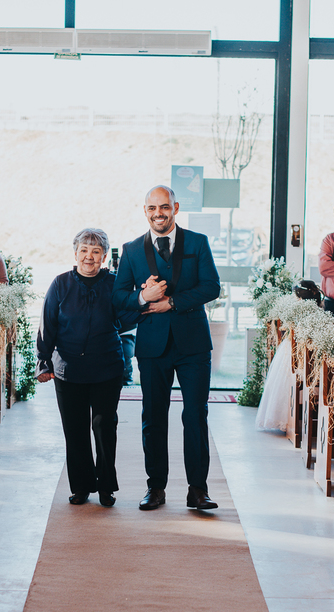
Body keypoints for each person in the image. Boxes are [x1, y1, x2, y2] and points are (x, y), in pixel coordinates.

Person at [113, 185, 221, 511]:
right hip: (152, 346)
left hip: (193, 345)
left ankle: (198, 490)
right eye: (152, 208)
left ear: (175, 207)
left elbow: (211, 286)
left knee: (195, 416)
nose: (158, 213)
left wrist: (171, 302)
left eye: (164, 207)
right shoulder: (132, 250)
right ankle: (155, 488)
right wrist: (142, 298)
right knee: (154, 418)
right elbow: (119, 298)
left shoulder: (198, 243)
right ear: (144, 210)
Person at [37, 229, 141, 507]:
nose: (89, 257)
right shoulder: (60, 284)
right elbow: (48, 325)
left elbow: (130, 317)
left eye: (96, 252)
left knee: (105, 427)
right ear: (75, 254)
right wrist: (43, 362)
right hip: (68, 369)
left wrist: (143, 298)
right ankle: (81, 486)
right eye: (84, 250)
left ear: (104, 256)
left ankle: (106, 486)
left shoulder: (115, 283)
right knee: (75, 429)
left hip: (106, 366)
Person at [257, 281, 322, 432]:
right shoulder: (319, 313)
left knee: (283, 377)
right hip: (306, 358)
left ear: (299, 299)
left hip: (297, 356)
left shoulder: (298, 315)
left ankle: (285, 418)